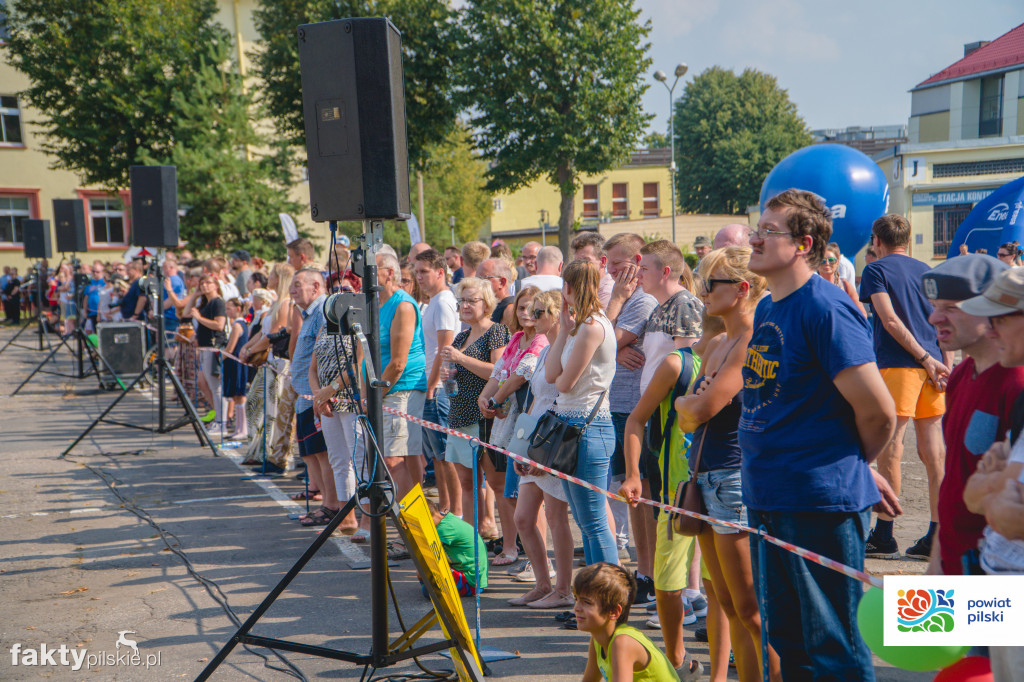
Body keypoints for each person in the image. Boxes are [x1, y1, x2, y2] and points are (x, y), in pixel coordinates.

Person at [744, 189, 897, 680]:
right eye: (757, 228)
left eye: (769, 232)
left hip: (816, 502)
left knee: (834, 646)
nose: (756, 238)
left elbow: (879, 412)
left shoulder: (826, 308)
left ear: (803, 243)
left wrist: (854, 466)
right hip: (768, 494)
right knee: (789, 642)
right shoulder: (768, 306)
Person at [676, 247, 778, 681]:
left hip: (734, 481)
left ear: (740, 289)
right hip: (706, 476)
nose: (700, 293)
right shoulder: (719, 342)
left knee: (751, 610)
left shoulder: (753, 340)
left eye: (708, 284)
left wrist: (691, 401)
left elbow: (697, 411)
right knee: (729, 605)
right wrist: (692, 402)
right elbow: (689, 411)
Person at [920, 255, 1024, 575]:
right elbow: (956, 481)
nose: (935, 318)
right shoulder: (962, 374)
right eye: (935, 306)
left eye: (952, 308)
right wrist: (936, 562)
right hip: (953, 568)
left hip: (993, 576)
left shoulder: (1017, 383)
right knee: (891, 624)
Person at [617, 322, 706, 679]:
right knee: (668, 584)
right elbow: (637, 419)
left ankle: (714, 669)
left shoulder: (740, 356)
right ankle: (676, 658)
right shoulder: (677, 363)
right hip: (677, 491)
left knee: (727, 592)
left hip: (724, 489)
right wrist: (634, 474)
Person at [860, 214, 951, 560]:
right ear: (909, 239)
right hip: (933, 367)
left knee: (892, 449)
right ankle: (937, 534)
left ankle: (884, 534)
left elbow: (890, 320)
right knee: (934, 454)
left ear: (876, 240)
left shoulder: (876, 269)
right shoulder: (927, 270)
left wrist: (925, 359)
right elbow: (943, 320)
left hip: (901, 365)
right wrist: (943, 364)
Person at [960, 268, 1024, 680]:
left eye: (999, 319)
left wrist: (993, 488)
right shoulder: (968, 377)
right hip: (995, 584)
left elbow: (1003, 511)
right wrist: (992, 488)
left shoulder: (1013, 384)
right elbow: (975, 497)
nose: (990, 330)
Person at [546, 259, 618, 565]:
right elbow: (552, 375)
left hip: (587, 427)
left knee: (593, 522)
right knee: (585, 521)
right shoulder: (579, 327)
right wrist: (563, 330)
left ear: (569, 287)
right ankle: (595, 593)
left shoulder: (593, 327)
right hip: (572, 425)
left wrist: (570, 335)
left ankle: (607, 594)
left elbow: (564, 383)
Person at [508, 289, 575, 609]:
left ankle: (564, 589)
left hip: (553, 441)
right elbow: (534, 400)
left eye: (538, 313)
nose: (531, 318)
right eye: (530, 313)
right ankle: (543, 583)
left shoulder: (565, 349)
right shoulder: (547, 350)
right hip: (535, 440)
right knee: (523, 518)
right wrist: (523, 446)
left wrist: (543, 455)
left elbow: (562, 401)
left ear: (555, 314)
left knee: (556, 515)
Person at [603, 233, 659, 588]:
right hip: (619, 406)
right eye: (607, 265)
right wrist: (616, 349)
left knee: (646, 496)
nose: (610, 273)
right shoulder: (618, 297)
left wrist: (612, 347)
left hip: (635, 408)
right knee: (631, 493)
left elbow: (597, 341)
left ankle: (653, 574)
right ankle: (644, 570)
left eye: (618, 265)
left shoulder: (641, 299)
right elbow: (599, 339)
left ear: (638, 262)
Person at [478, 286, 546, 566]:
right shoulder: (516, 337)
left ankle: (538, 563)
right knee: (509, 493)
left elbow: (519, 377)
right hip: (507, 427)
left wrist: (493, 399)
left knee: (532, 497)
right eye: (521, 308)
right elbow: (499, 372)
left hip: (528, 425)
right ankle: (512, 549)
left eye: (533, 308)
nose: (526, 313)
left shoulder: (541, 339)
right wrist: (484, 397)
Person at [440, 277, 510, 540]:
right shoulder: (461, 336)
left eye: (472, 300)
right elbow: (456, 380)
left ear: (487, 303)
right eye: (462, 301)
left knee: (496, 484)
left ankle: (508, 543)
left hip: (484, 419)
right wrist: (449, 375)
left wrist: (460, 359)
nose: (465, 305)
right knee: (467, 485)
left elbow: (500, 372)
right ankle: (472, 542)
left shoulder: (497, 331)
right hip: (459, 416)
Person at [289, 268, 342, 527]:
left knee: (323, 453)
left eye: (298, 285)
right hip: (306, 395)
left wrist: (322, 394)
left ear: (317, 287)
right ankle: (327, 502)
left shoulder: (323, 311)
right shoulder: (307, 313)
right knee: (311, 454)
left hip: (318, 396)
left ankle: (331, 505)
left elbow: (327, 355)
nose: (292, 290)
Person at [375, 250, 428, 502]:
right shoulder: (376, 304)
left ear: (389, 273)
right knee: (402, 456)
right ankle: (415, 525)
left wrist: (375, 395)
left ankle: (414, 529)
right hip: (386, 389)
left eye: (371, 270)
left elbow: (398, 363)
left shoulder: (403, 304)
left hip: (402, 388)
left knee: (394, 459)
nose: (362, 277)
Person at [576, 563, 682, 682]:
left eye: (587, 602)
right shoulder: (597, 639)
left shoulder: (622, 643)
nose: (576, 608)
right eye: (576, 599)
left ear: (614, 612)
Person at [415, 249, 462, 516]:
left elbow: (445, 349)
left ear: (440, 272)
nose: (418, 277)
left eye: (424, 271)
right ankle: (445, 507)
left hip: (442, 388)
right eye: (417, 271)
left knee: (446, 454)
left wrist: (432, 386)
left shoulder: (444, 301)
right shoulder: (434, 302)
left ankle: (455, 511)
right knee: (437, 455)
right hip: (432, 386)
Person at [182, 274, 227, 430]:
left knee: (216, 386)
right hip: (203, 347)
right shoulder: (204, 302)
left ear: (216, 285)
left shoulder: (217, 302)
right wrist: (194, 295)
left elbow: (219, 325)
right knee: (202, 382)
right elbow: (186, 313)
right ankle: (218, 415)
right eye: (202, 283)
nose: (204, 286)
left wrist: (199, 319)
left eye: (208, 283)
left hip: (213, 347)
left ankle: (222, 422)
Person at [428, 500, 489, 597]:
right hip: (475, 578)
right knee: (429, 582)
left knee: (428, 588)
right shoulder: (447, 519)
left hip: (471, 582)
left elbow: (429, 557)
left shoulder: (443, 529)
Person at [220, 297, 250, 439]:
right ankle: (239, 429)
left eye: (229, 308)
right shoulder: (241, 324)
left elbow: (230, 348)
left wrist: (220, 359)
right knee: (237, 397)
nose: (227, 312)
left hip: (236, 362)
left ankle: (243, 429)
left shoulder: (237, 325)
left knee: (240, 395)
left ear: (238, 309)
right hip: (236, 362)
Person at [819, 243, 865, 316]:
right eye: (822, 260)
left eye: (831, 260)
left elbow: (862, 314)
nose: (827, 263)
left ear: (837, 263)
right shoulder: (812, 287)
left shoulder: (845, 286)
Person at [571, 232, 613, 308]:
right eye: (576, 262)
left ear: (603, 261)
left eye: (585, 261)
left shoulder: (607, 292)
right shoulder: (582, 288)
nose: (579, 267)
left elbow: (598, 319)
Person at [477, 257, 516, 328]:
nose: (477, 283)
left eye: (483, 278)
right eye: (476, 279)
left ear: (501, 282)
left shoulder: (510, 310)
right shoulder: (491, 307)